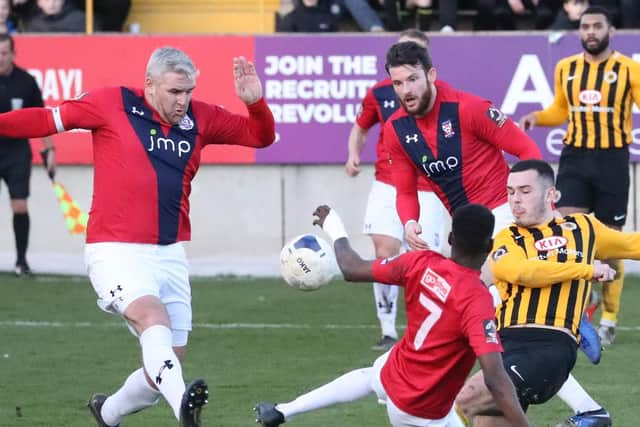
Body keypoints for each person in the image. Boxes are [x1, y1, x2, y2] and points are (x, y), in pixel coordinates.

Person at [0, 46, 276, 426]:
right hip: (115, 250)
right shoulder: (112, 103)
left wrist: (255, 102)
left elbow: (260, 137)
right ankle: (185, 409)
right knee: (152, 317)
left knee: (163, 366)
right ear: (149, 84)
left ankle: (108, 412)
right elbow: (46, 120)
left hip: (170, 253)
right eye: (174, 91)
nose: (183, 101)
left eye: (188, 91)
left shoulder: (201, 118)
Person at [382, 40, 609, 425]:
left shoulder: (469, 108)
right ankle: (586, 398)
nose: (406, 90)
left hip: (503, 218)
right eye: (398, 83)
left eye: (412, 79)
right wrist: (409, 222)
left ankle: (568, 335)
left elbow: (525, 148)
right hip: (469, 230)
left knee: (484, 316)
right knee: (494, 327)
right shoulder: (396, 129)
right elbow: (404, 189)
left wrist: (529, 209)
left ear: (431, 75)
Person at [254, 204, 530, 427]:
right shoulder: (477, 299)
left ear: (450, 238)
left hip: (396, 372)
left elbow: (351, 268)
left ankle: (282, 411)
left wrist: (334, 227)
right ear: (490, 245)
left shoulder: (419, 262)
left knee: (370, 374)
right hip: (422, 410)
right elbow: (494, 378)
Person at [454, 159, 639, 426]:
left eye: (525, 191)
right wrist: (584, 269)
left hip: (547, 348)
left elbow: (633, 244)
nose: (515, 200)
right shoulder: (508, 237)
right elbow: (521, 272)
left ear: (551, 194)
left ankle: (592, 414)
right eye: (511, 192)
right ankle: (593, 418)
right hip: (503, 349)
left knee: (458, 404)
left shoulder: (584, 228)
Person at [519, 6, 640, 346]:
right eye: (585, 26)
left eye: (596, 26)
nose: (590, 31)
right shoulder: (566, 68)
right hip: (574, 157)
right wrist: (538, 118)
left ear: (610, 31)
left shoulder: (629, 69)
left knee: (610, 241)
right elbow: (560, 108)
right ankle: (576, 311)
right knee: (570, 233)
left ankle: (610, 316)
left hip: (613, 160)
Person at [346, 29, 449, 351]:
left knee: (425, 259)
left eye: (414, 51)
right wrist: (353, 155)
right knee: (383, 251)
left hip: (428, 186)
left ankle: (427, 327)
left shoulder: (443, 96)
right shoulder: (379, 92)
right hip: (387, 182)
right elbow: (361, 127)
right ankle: (388, 329)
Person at [0, 33, 54, 276]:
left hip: (16, 152)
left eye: (4, 53)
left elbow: (42, 118)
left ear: (13, 53)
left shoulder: (27, 81)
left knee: (20, 206)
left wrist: (49, 150)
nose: (0, 58)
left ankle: (21, 261)